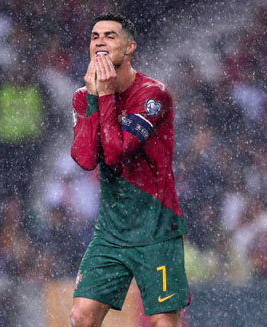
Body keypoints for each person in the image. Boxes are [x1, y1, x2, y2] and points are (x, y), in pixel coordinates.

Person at [69, 13, 190, 327]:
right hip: (111, 232)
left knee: (164, 321)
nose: (100, 42)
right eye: (95, 36)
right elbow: (84, 159)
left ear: (130, 46)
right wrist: (96, 97)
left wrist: (106, 94)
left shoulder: (153, 95)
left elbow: (115, 154)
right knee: (81, 317)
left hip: (156, 228)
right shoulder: (83, 97)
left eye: (110, 35)